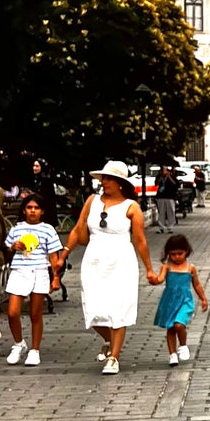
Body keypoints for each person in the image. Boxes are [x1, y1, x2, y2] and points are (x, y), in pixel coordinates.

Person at [62, 160, 153, 375]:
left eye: (109, 178)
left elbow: (140, 240)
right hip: (94, 259)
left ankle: (114, 357)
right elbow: (77, 229)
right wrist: (63, 254)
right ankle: (109, 339)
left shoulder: (131, 207)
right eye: (103, 178)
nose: (105, 182)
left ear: (120, 183)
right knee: (93, 310)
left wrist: (149, 268)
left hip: (121, 260)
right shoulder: (92, 201)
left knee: (118, 309)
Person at [3, 192, 65, 367]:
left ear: (42, 211)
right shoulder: (16, 229)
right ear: (24, 210)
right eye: (29, 208)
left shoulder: (48, 229)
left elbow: (53, 257)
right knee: (13, 312)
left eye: (36, 208)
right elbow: (7, 249)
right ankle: (18, 343)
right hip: (19, 270)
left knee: (35, 313)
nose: (32, 211)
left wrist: (55, 278)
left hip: (39, 271)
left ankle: (35, 349)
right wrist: (13, 247)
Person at [150, 233, 209, 366]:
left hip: (185, 300)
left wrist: (203, 298)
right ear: (168, 253)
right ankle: (172, 354)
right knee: (170, 328)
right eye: (173, 254)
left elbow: (197, 284)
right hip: (169, 301)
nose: (176, 257)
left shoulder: (190, 268)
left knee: (179, 324)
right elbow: (160, 279)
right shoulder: (166, 267)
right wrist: (155, 280)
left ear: (186, 252)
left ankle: (182, 345)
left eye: (180, 253)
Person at [152, 163, 179, 232]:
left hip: (170, 196)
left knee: (171, 212)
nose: (164, 171)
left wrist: (169, 176)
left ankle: (170, 227)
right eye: (163, 169)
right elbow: (156, 184)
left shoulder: (172, 175)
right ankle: (161, 227)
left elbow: (176, 184)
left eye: (165, 169)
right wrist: (161, 177)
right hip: (161, 196)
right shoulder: (159, 176)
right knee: (161, 212)